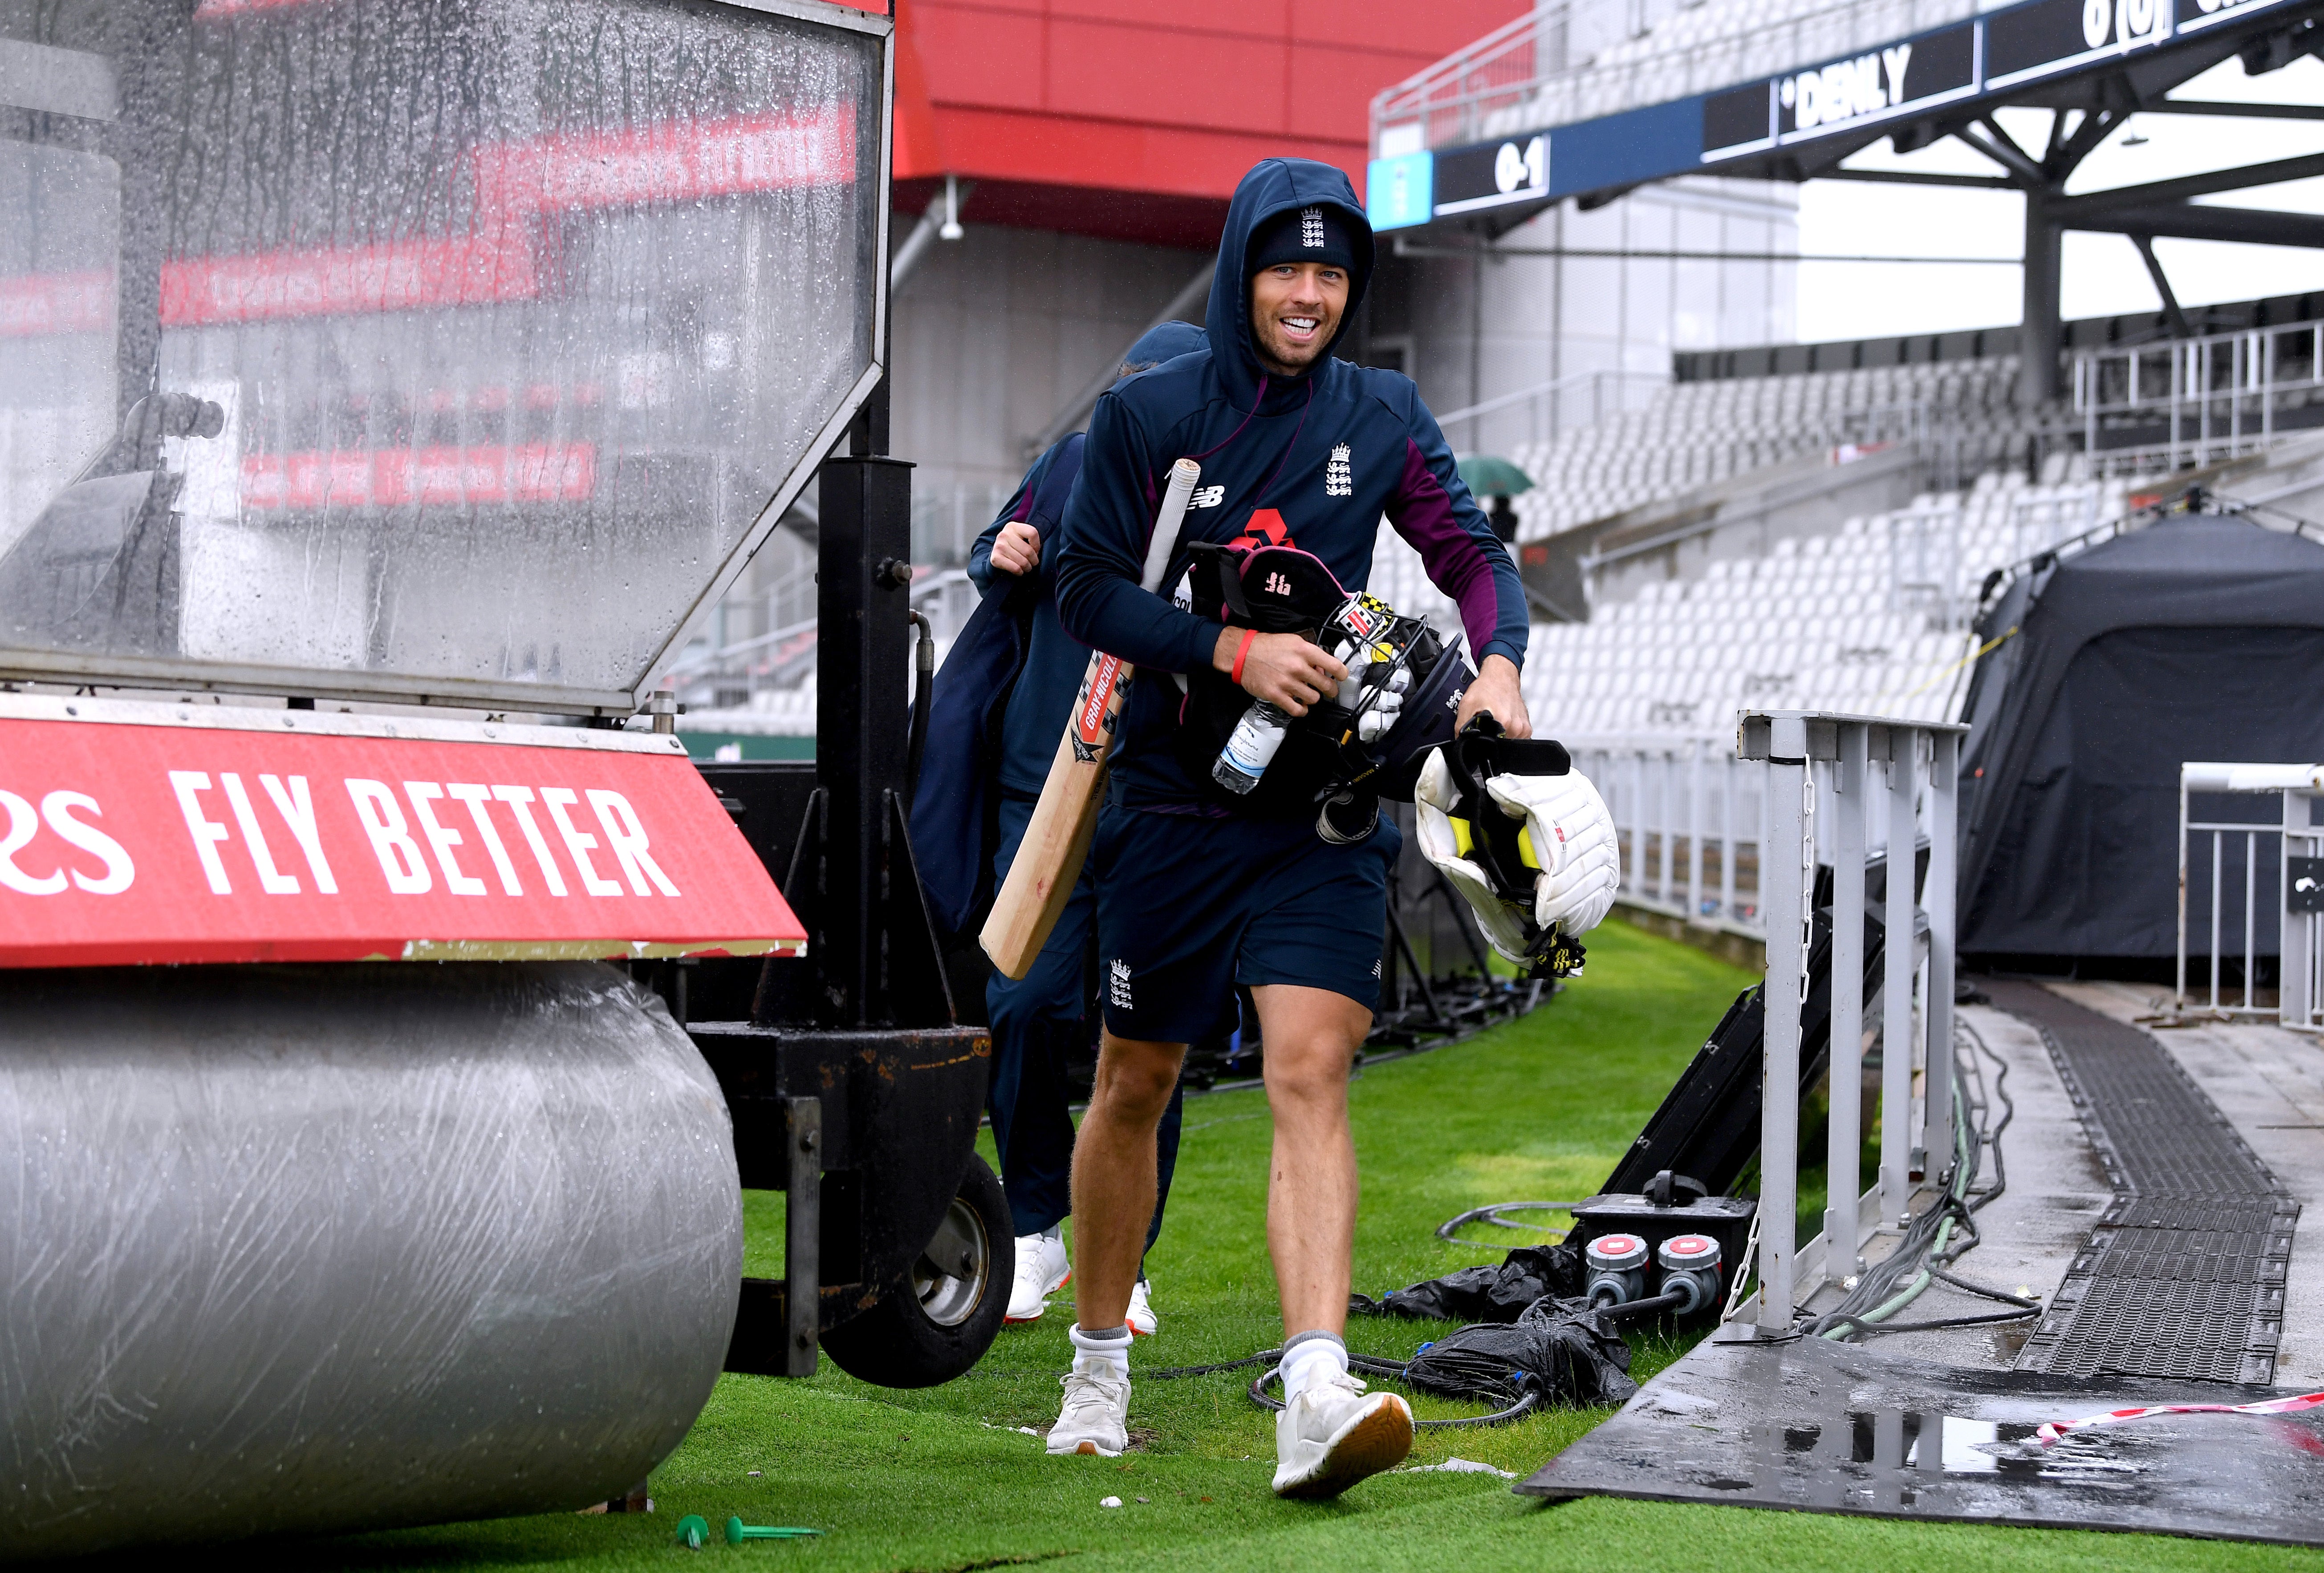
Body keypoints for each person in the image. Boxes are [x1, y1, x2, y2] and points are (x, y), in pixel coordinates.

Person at [1044, 158, 1543, 1497]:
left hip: (1321, 811)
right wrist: (1229, 648)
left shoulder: (1379, 413)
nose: (1308, 296)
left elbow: (1472, 557)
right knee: (1133, 1082)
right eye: (1285, 271)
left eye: (1330, 275)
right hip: (1169, 805)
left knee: (1309, 1071)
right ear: (1240, 276)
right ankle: (1097, 1361)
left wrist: (1498, 663)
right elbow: (1083, 588)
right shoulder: (1150, 411)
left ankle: (1314, 1385)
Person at [965, 321, 1211, 1336]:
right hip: (1044, 783)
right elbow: (992, 552)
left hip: (1159, 798)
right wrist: (1002, 549)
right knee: (1019, 1005)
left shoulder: (1231, 489)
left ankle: (1129, 1262)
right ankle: (1032, 1228)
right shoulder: (1072, 464)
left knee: (1152, 1035)